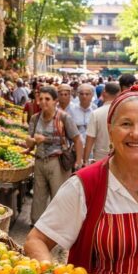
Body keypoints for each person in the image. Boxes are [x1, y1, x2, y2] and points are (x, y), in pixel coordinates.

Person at [24, 89, 138, 274]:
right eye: (126, 124)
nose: (135, 133)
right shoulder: (85, 185)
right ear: (110, 130)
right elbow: (36, 240)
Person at [25, 86, 84, 226]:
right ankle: (37, 225)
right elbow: (31, 141)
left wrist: (79, 161)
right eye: (41, 99)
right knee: (38, 197)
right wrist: (30, 142)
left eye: (48, 99)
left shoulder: (64, 117)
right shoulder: (35, 118)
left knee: (59, 196)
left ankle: (59, 227)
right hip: (40, 161)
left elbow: (77, 139)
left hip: (57, 161)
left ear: (55, 101)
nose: (43, 102)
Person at [84, 82, 121, 163]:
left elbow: (90, 139)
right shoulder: (123, 112)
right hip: (120, 157)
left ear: (104, 93)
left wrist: (85, 160)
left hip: (100, 159)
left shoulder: (96, 113)